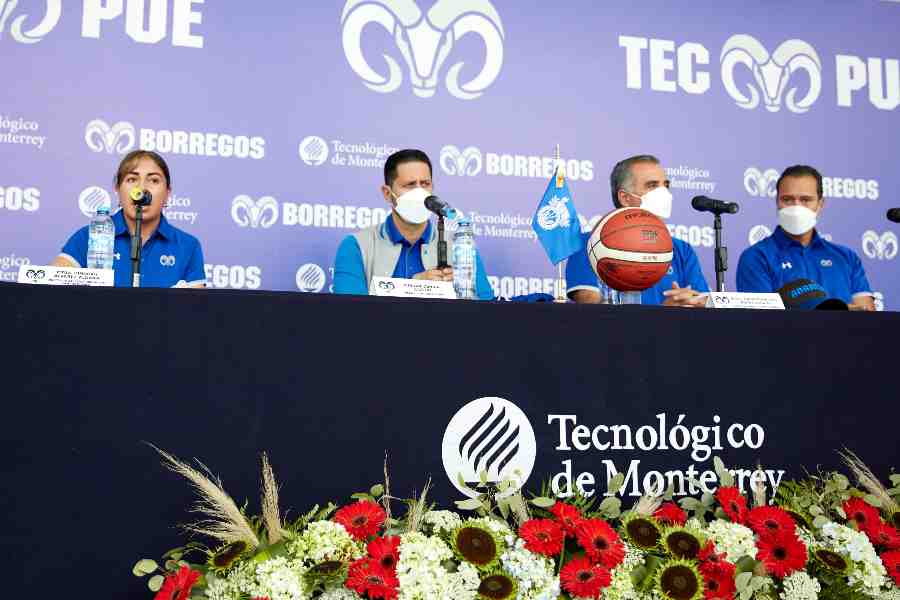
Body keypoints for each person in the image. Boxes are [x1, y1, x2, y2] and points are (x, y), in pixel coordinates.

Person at [333, 148, 493, 299]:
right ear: (387, 194)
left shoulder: (460, 246)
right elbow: (350, 311)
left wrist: (459, 292)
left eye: (425, 184)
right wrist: (414, 287)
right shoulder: (357, 246)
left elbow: (486, 309)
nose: (420, 193)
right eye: (410, 185)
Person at [566, 155, 709, 306]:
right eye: (652, 185)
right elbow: (591, 311)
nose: (664, 193)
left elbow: (704, 302)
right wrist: (665, 313)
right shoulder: (591, 243)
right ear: (625, 198)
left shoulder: (682, 249)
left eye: (666, 185)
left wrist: (693, 302)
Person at [53, 150, 206, 288]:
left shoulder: (187, 246)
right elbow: (51, 283)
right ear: (118, 189)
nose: (141, 189)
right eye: (132, 179)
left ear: (167, 193)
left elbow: (194, 309)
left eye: (153, 180)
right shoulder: (89, 236)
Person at [736, 165, 874, 310]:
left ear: (820, 204)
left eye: (805, 200)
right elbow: (760, 321)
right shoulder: (757, 257)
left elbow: (865, 315)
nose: (796, 207)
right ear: (777, 202)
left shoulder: (847, 257)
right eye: (787, 199)